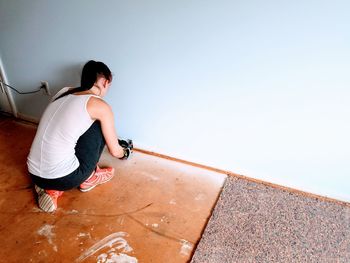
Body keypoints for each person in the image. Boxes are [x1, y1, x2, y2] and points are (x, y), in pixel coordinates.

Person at [27, 60, 133, 213]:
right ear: (104, 81)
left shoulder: (64, 91)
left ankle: (48, 189)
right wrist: (126, 153)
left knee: (76, 128)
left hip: (34, 173)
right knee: (100, 124)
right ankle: (89, 178)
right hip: (64, 178)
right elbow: (115, 151)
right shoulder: (99, 106)